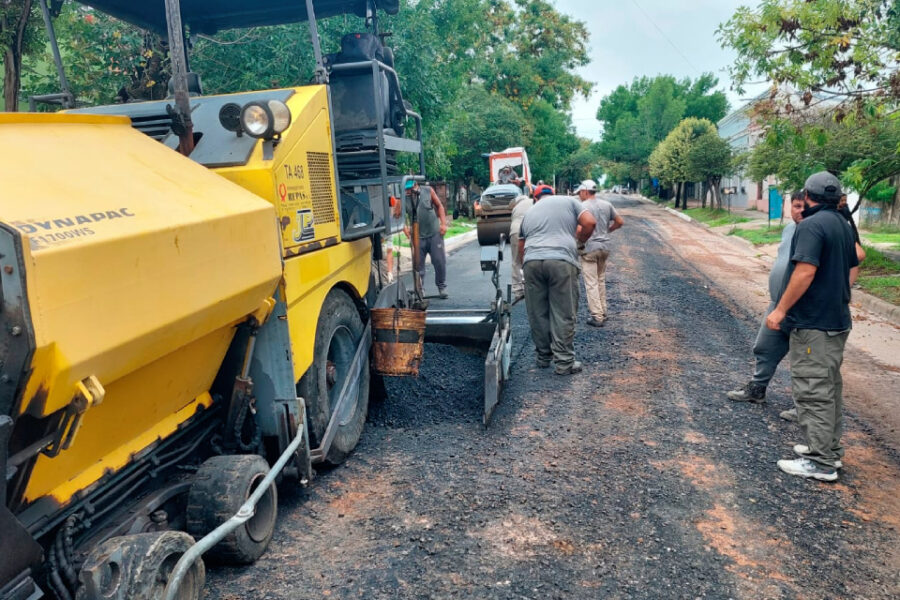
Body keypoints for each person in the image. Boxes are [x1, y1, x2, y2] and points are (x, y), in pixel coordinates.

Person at [766, 172, 859, 482]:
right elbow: (854, 262)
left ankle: (821, 462)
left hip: (815, 325)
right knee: (829, 388)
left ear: (807, 195)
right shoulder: (841, 224)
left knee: (813, 390)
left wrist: (780, 310)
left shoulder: (811, 226)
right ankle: (828, 450)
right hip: (836, 321)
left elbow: (805, 272)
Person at [727, 193, 805, 405]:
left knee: (805, 362)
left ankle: (806, 410)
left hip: (803, 308)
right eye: (797, 206)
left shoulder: (816, 231)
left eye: (805, 206)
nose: (801, 211)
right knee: (764, 347)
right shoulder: (789, 229)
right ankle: (757, 389)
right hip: (777, 304)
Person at [518, 185, 597, 375]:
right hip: (561, 261)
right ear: (553, 194)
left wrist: (526, 267)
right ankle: (564, 363)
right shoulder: (569, 201)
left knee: (538, 312)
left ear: (535, 198)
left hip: (532, 262)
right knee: (563, 311)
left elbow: (521, 245)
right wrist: (579, 242)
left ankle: (543, 358)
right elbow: (590, 222)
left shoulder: (529, 212)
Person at [575, 179, 624, 327]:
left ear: (585, 191)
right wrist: (608, 231)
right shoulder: (606, 204)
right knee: (600, 279)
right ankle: (603, 311)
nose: (579, 195)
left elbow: (579, 229)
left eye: (580, 193)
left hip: (589, 248)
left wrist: (579, 241)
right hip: (604, 247)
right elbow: (620, 222)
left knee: (591, 283)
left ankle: (597, 316)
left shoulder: (582, 207)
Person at [403, 179, 449, 299]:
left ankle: (441, 287)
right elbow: (398, 216)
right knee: (418, 265)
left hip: (434, 233)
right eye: (406, 189)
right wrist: (404, 227)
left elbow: (439, 206)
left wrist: (443, 223)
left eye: (410, 188)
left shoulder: (428, 191)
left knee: (439, 261)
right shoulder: (403, 199)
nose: (408, 191)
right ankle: (420, 290)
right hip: (417, 237)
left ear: (416, 185)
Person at [509, 184, 535, 302]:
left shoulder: (516, 207)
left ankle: (518, 290)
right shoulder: (533, 202)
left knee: (516, 261)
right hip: (530, 229)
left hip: (515, 231)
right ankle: (532, 288)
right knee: (532, 258)